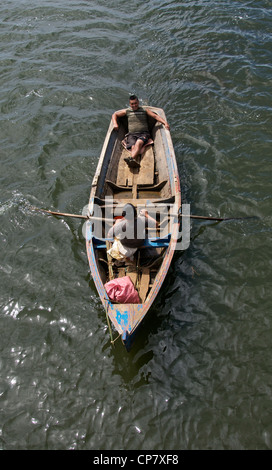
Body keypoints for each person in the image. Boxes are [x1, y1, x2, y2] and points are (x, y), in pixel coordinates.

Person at [112, 95, 170, 168]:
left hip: (143, 133)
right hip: (131, 134)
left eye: (135, 103)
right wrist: (115, 123)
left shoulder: (144, 110)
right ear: (130, 104)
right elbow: (115, 114)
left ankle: (132, 158)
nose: (134, 105)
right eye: (132, 104)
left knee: (139, 143)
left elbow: (155, 116)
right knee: (133, 147)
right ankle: (134, 161)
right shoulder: (128, 111)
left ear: (138, 102)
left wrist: (165, 123)